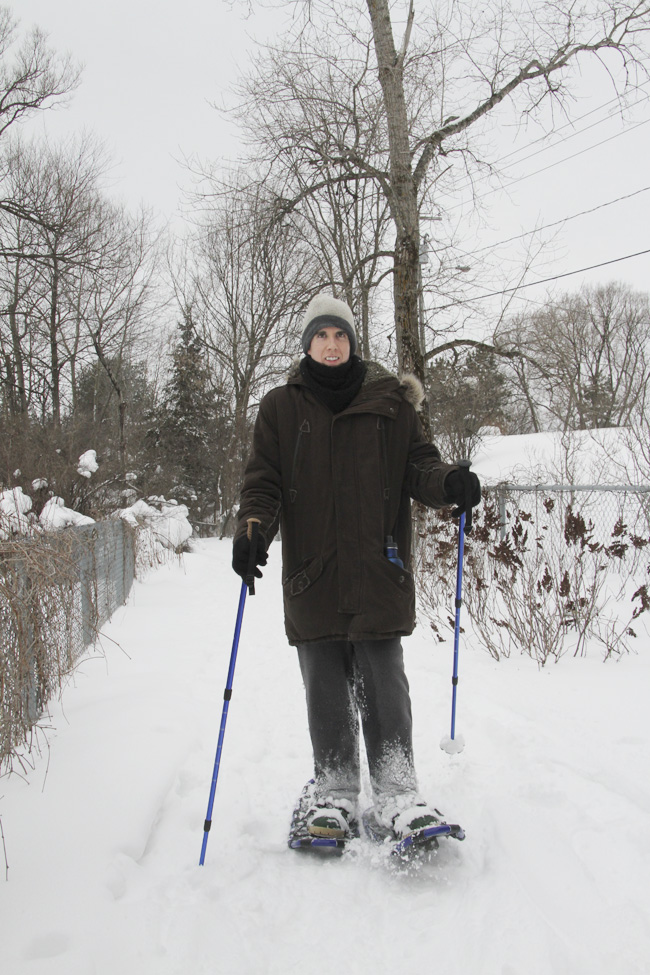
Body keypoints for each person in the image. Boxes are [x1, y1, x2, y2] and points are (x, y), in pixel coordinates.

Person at [232, 293, 481, 844]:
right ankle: (335, 790)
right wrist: (252, 532)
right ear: (307, 343)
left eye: (340, 335)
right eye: (321, 335)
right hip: (313, 571)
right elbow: (263, 484)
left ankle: (397, 791)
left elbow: (421, 466)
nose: (331, 344)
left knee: (383, 676)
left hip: (377, 567)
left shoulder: (391, 403)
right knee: (323, 678)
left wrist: (449, 483)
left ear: (353, 343)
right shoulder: (280, 408)